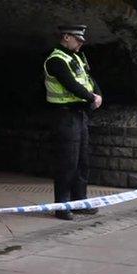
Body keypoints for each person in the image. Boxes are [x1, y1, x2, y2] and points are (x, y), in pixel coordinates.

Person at [44, 24, 102, 220]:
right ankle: (62, 206)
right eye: (78, 40)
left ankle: (79, 201)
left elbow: (88, 78)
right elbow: (70, 83)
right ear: (66, 37)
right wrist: (91, 97)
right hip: (64, 114)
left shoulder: (77, 56)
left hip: (80, 114)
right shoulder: (56, 60)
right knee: (67, 162)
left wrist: (98, 94)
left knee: (81, 161)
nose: (81, 43)